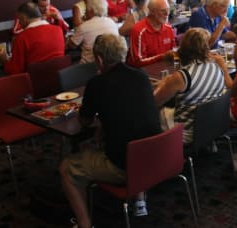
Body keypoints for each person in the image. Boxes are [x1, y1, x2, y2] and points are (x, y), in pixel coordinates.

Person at [60, 33, 162, 228]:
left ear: (99, 59)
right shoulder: (141, 76)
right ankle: (140, 201)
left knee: (67, 167)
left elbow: (84, 121)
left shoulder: (96, 84)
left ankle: (84, 223)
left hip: (124, 166)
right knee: (137, 133)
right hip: (155, 157)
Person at [153, 28, 233, 142]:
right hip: (214, 124)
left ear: (184, 46)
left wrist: (162, 85)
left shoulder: (182, 76)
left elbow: (155, 101)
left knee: (157, 112)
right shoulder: (217, 66)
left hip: (188, 132)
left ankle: (160, 152)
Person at [0, 2, 65, 75]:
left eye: (19, 19)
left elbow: (15, 72)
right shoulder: (58, 30)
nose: (19, 23)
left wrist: (4, 60)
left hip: (34, 82)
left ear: (24, 18)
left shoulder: (21, 38)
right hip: (60, 78)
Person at [68, 0, 121, 64]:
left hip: (89, 66)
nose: (85, 12)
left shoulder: (84, 27)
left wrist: (69, 38)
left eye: (86, 9)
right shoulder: (111, 22)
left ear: (91, 11)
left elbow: (72, 46)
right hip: (110, 63)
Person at [127, 0, 176, 67]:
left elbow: (173, 52)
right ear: (152, 11)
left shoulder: (168, 28)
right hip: (143, 72)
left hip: (163, 68)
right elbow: (138, 62)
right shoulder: (139, 31)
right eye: (163, 10)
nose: (167, 13)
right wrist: (162, 57)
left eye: (168, 10)